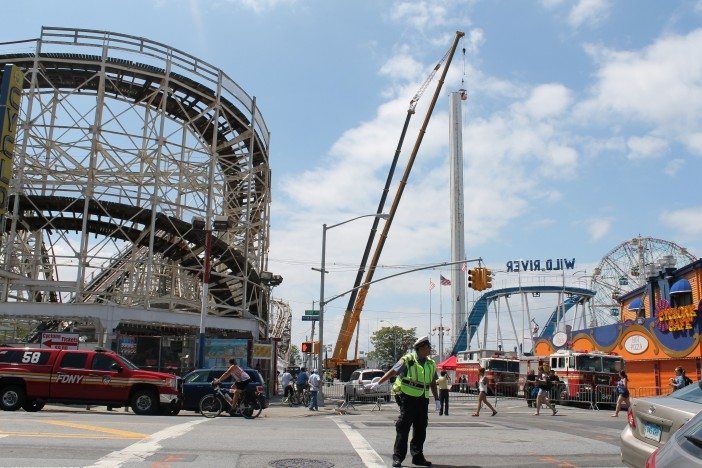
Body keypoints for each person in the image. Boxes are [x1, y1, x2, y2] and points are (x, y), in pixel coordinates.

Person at [366, 336, 437, 467]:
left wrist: (437, 400)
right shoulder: (408, 359)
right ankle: (398, 457)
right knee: (403, 427)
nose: (429, 349)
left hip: (423, 399)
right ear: (420, 348)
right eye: (427, 347)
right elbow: (394, 371)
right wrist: (379, 382)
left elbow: (432, 382)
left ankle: (417, 457)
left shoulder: (431, 363)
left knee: (421, 428)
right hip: (408, 397)